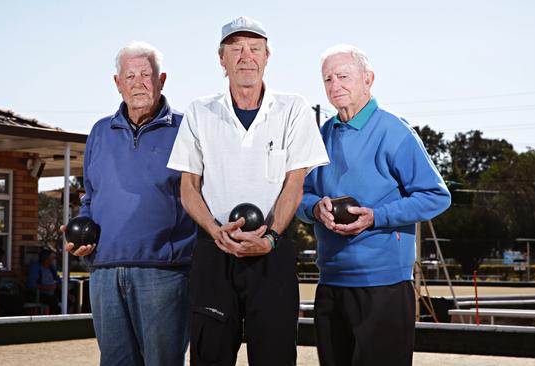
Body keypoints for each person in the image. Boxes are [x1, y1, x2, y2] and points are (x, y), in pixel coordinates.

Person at [167, 16, 329, 366]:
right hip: (214, 252)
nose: (246, 56)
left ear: (267, 56)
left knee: (275, 357)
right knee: (209, 357)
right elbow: (189, 188)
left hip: (272, 251)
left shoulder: (293, 109)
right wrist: (214, 230)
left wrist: (270, 237)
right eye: (235, 49)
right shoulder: (199, 111)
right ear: (221, 59)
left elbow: (295, 184)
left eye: (254, 48)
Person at [295, 45, 452, 366]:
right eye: (327, 79)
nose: (335, 85)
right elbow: (299, 197)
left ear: (368, 80)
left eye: (343, 76)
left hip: (383, 287)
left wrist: (376, 217)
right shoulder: (320, 136)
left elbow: (436, 195)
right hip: (330, 283)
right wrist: (314, 209)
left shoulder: (394, 131)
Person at [63, 41, 197, 366]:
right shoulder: (99, 132)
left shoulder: (187, 130)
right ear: (117, 83)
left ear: (161, 79)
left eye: (146, 74)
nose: (138, 83)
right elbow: (90, 197)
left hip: (164, 274)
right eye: (130, 75)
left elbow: (202, 197)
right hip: (105, 272)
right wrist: (81, 236)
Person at [26, 248, 61, 314]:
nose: (53, 260)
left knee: (70, 298)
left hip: (53, 292)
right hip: (40, 294)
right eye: (52, 258)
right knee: (53, 301)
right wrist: (47, 287)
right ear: (46, 259)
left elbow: (58, 280)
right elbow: (31, 285)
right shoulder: (36, 268)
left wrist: (68, 294)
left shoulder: (51, 267)